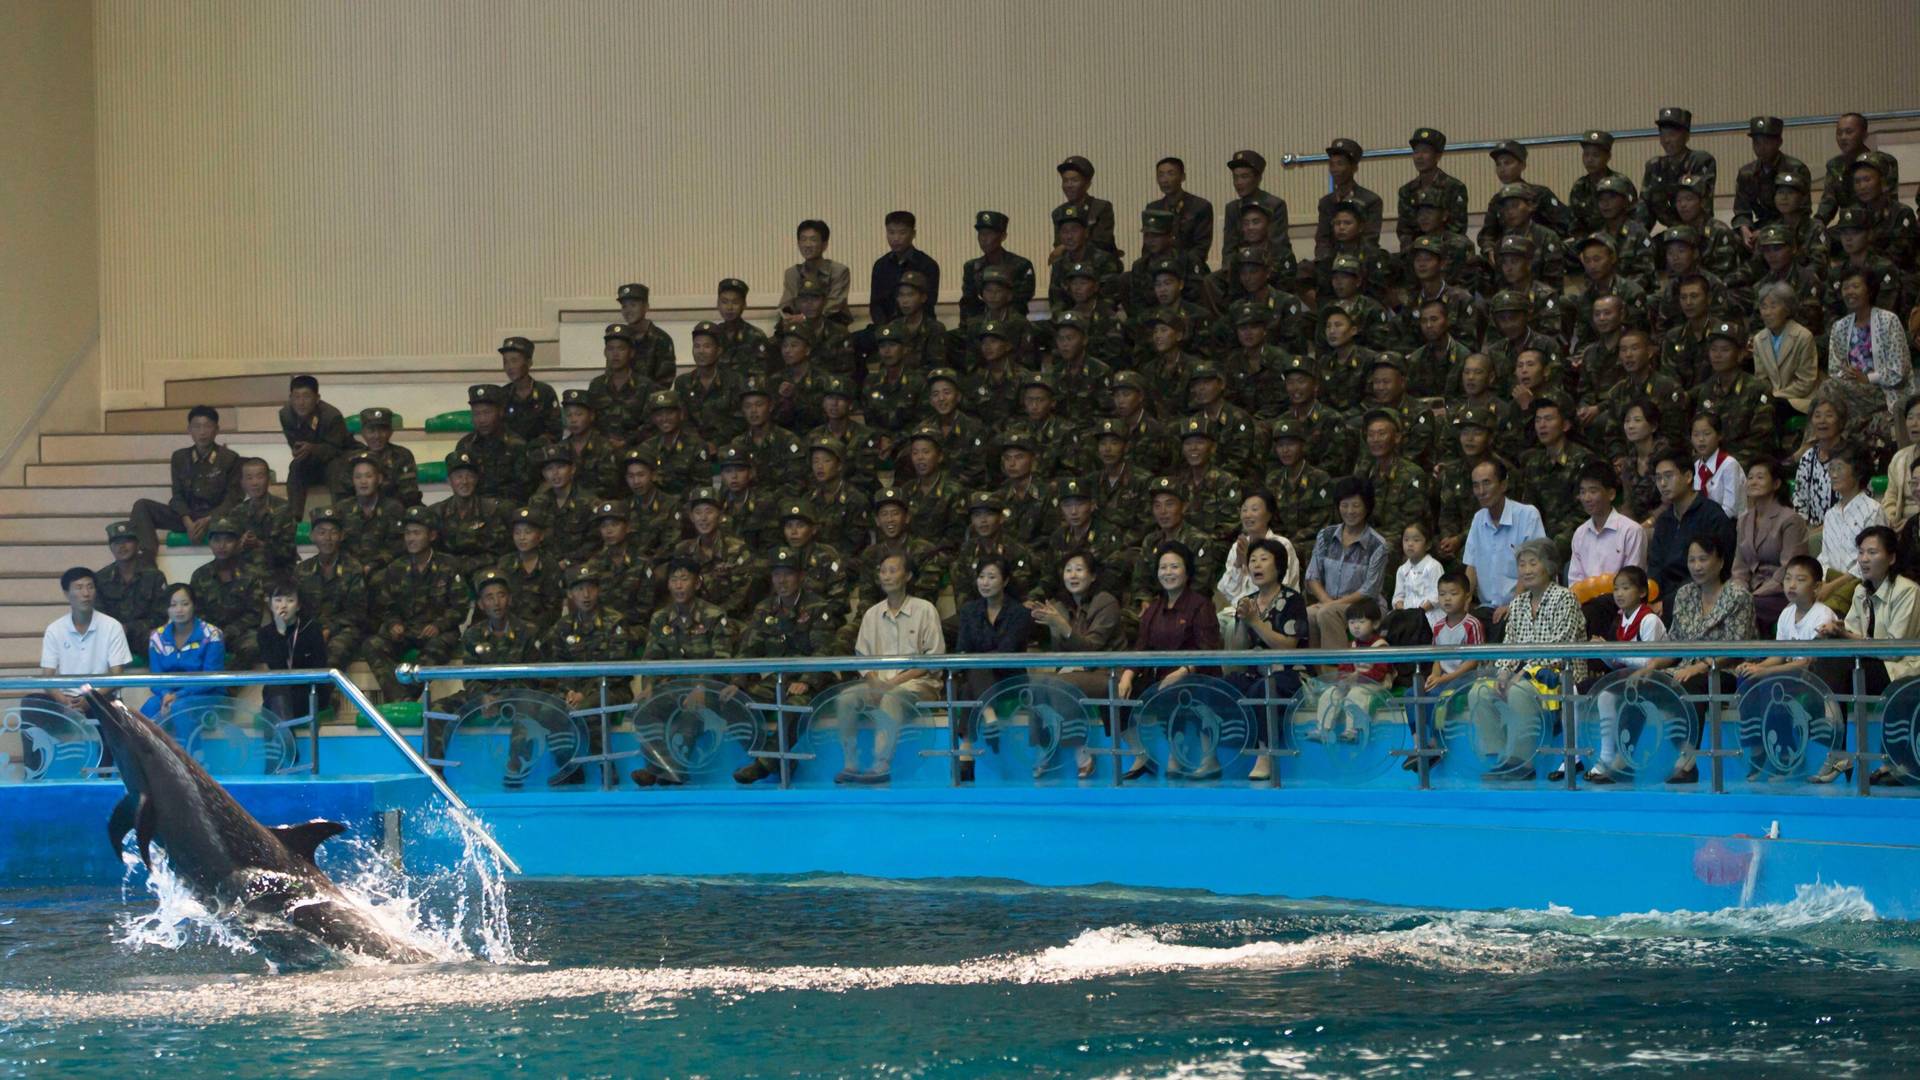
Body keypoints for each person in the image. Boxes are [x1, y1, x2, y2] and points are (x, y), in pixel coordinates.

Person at [1639, 533, 1756, 784]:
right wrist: (1654, 664)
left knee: (1691, 687)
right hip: (1683, 668)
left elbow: (1737, 647)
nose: (1697, 566)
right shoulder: (1684, 595)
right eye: (1692, 560)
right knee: (1639, 683)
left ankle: (1687, 764)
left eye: (1703, 559)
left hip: (1723, 672)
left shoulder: (1738, 596)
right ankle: (1618, 762)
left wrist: (1701, 667)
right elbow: (1675, 640)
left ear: (1721, 561)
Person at [1469, 539, 1586, 781]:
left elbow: (1559, 646)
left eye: (1533, 563)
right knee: (1479, 691)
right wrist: (1503, 672)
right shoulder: (1519, 603)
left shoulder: (1565, 598)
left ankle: (1522, 763)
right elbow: (1510, 644)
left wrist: (1523, 673)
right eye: (1522, 565)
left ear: (1550, 567)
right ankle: (1503, 756)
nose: (1527, 570)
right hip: (1524, 674)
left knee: (1520, 691)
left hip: (1561, 674)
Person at [1812, 526, 1920, 784]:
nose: (1863, 559)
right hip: (1869, 664)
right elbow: (1852, 630)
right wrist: (1837, 631)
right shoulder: (1861, 591)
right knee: (1827, 660)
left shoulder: (1908, 591)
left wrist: (1847, 637)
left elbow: (1894, 648)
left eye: (1872, 552)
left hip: (1903, 667)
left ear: (1891, 558)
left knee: (1836, 667)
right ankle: (1837, 750)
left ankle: (1839, 752)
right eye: (1861, 552)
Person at [1115, 541, 1223, 779]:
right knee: (1115, 692)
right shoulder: (1153, 608)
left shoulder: (1200, 605)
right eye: (1163, 567)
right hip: (1161, 678)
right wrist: (1127, 675)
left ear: (1187, 571)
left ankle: (1208, 759)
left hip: (1198, 675)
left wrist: (1184, 670)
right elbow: (1141, 647)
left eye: (1174, 566)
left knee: (1179, 689)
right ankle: (1141, 755)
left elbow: (1210, 648)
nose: (1168, 572)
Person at [837, 552, 945, 785]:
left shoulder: (925, 610)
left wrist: (890, 685)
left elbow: (932, 659)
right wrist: (874, 682)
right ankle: (851, 764)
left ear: (908, 576)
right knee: (846, 698)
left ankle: (880, 765)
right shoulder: (871, 614)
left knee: (892, 698)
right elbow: (862, 657)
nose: (886, 576)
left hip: (919, 684)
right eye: (883, 571)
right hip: (878, 683)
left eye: (893, 570)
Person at [1226, 538, 1307, 781]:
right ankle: (1214, 755)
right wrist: (1242, 622)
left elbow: (1288, 646)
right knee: (1225, 685)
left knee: (1263, 688)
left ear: (1279, 566)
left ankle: (1265, 754)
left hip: (1289, 673)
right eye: (1252, 560)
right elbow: (1240, 651)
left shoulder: (1293, 600)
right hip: (1255, 672)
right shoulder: (1248, 601)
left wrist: (1255, 623)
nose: (1256, 565)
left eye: (1263, 559)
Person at [32, 568, 132, 765]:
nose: (86, 593)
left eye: (90, 587)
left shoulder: (112, 626)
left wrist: (91, 700)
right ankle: (36, 773)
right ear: (66, 593)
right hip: (65, 699)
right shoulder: (55, 629)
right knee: (31, 705)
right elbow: (47, 677)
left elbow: (117, 675)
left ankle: (104, 776)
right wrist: (64, 701)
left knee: (111, 714)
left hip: (101, 697)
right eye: (78, 588)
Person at [951, 556, 1034, 782]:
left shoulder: (1019, 613)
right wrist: (974, 659)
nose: (985, 582)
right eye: (981, 577)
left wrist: (976, 659)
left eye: (991, 577)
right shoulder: (969, 611)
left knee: (973, 676)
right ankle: (988, 719)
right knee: (973, 677)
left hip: (1009, 679)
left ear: (1005, 581)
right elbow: (962, 649)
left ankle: (967, 755)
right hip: (980, 679)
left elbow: (1006, 652)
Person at [1585, 565, 1667, 784]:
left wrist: (1612, 650)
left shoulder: (1649, 620)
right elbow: (1618, 663)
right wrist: (1603, 652)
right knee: (1577, 688)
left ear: (1641, 592)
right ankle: (1572, 758)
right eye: (1616, 589)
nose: (1619, 594)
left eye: (1625, 588)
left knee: (1607, 695)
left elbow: (1649, 661)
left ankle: (1609, 759)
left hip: (1655, 680)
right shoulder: (1620, 621)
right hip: (1627, 677)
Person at [128, 405, 238, 564]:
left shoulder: (229, 458)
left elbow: (232, 499)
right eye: (197, 426)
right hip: (187, 516)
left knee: (236, 517)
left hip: (216, 518)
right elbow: (177, 495)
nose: (202, 432)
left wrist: (208, 520)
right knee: (142, 506)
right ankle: (147, 562)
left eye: (207, 426)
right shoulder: (180, 457)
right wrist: (187, 521)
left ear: (217, 429)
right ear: (189, 430)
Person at [1826, 267, 1913, 441]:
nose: (1849, 291)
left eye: (1855, 286)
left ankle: (1811, 444)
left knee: (1828, 388)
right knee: (1829, 388)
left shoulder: (1888, 320)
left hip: (1885, 392)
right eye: (1845, 287)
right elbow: (1835, 369)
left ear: (1870, 290)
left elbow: (1899, 371)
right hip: (1852, 391)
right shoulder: (1839, 327)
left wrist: (1867, 378)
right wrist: (1849, 376)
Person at [1303, 477, 1389, 651]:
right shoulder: (1325, 536)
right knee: (1308, 614)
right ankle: (1317, 672)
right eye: (1344, 505)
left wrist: (1332, 605)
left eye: (1356, 505)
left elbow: (1369, 590)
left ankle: (1338, 671)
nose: (1350, 511)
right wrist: (1327, 601)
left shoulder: (1377, 544)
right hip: (1329, 603)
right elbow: (1312, 576)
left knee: (1326, 613)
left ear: (1367, 507)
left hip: (1365, 607)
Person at [1461, 459, 1546, 631]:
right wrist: (1464, 604)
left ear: (1503, 485)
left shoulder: (1528, 515)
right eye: (1476, 486)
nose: (1481, 491)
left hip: (1525, 605)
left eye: (1487, 483)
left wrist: (1514, 604)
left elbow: (1533, 566)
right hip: (1486, 609)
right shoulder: (1478, 519)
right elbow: (1471, 567)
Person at [1647, 451, 1737, 609]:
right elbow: (1655, 566)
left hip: (1699, 595)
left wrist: (1667, 603)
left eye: (1668, 476)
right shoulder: (1664, 521)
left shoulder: (1712, 515)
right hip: (1662, 595)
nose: (1662, 483)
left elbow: (1716, 568)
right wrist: (1652, 598)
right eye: (1658, 478)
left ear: (1688, 477)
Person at [138, 582, 228, 737]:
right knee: (151, 706)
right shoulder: (157, 637)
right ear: (166, 609)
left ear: (194, 605)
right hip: (169, 695)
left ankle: (191, 758)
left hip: (207, 696)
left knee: (180, 707)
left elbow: (211, 678)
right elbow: (155, 678)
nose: (179, 610)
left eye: (185, 604)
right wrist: (166, 694)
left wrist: (179, 695)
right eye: (173, 605)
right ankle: (145, 757)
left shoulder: (212, 634)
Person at [1417, 571, 1484, 768]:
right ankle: (1418, 743)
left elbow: (1473, 661)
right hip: (1444, 678)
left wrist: (1445, 680)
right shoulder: (1437, 626)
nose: (1447, 598)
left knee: (1438, 698)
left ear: (1467, 597)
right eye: (1442, 594)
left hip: (1464, 679)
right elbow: (1437, 657)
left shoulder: (1472, 624)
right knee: (1413, 694)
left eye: (1453, 593)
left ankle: (1435, 744)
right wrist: (1434, 675)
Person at [1733, 459, 1809, 630]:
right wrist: (1740, 590)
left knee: (1745, 608)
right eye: (1750, 477)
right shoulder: (1744, 519)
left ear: (1776, 484)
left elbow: (1789, 568)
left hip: (1781, 591)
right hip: (1751, 590)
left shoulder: (1790, 519)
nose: (1753, 482)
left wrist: (1754, 595)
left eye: (1760, 477)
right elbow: (1740, 567)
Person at [1815, 445, 1887, 616]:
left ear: (1858, 471)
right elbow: (1824, 557)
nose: (1833, 474)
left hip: (1861, 585)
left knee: (1821, 616)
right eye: (1831, 468)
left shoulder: (1872, 510)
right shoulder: (1831, 514)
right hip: (1830, 581)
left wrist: (1831, 587)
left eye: (1839, 468)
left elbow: (1871, 562)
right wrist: (1822, 582)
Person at [278, 375, 358, 518]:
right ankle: (293, 518)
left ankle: (342, 515)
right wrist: (301, 450)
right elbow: (294, 443)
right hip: (311, 460)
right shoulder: (286, 415)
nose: (301, 402)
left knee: (336, 468)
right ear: (290, 398)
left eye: (306, 397)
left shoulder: (332, 416)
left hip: (337, 457)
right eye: (296, 397)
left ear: (317, 398)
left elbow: (336, 449)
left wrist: (313, 448)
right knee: (296, 466)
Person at [1314, 597, 1391, 744]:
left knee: (1355, 695)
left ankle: (1353, 730)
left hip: (1374, 683)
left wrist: (1358, 678)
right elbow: (1345, 667)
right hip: (1355, 681)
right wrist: (1343, 679)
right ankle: (1323, 729)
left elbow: (1380, 674)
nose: (1356, 626)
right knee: (1330, 693)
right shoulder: (1353, 645)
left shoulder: (1380, 646)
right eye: (1352, 622)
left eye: (1361, 622)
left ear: (1375, 624)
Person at [255, 577, 329, 724]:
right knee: (276, 692)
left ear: (299, 605)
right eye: (278, 600)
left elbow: (319, 668)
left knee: (276, 701)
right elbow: (277, 668)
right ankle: (288, 746)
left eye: (289, 601)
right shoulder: (265, 634)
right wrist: (280, 633)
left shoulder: (311, 629)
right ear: (270, 604)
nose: (283, 606)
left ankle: (283, 746)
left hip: (308, 692)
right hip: (278, 692)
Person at [94, 521, 167, 662]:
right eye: (116, 543)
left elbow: (161, 615)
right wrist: (117, 629)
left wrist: (129, 628)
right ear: (110, 547)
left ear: (138, 544)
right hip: (111, 637)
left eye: (127, 541)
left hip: (144, 636)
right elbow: (98, 614)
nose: (122, 546)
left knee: (160, 642)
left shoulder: (154, 576)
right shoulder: (101, 578)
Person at [1217, 490, 1299, 603]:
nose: (1247, 515)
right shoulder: (1238, 546)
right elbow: (1227, 592)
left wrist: (1248, 562)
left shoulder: (1282, 545)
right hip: (1239, 611)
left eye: (1254, 509)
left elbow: (1276, 591)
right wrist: (1237, 564)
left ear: (1269, 514)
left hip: (1276, 611)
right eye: (1244, 510)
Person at [1751, 282, 1820, 416]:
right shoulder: (1759, 339)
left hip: (1800, 399)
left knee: (1774, 408)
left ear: (1787, 309)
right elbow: (1761, 379)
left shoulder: (1803, 336)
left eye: (1773, 306)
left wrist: (1775, 396)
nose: (1767, 312)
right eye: (1764, 307)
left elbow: (1806, 382)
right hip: (1772, 399)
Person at [778, 219, 851, 323]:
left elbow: (835, 305)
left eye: (813, 239)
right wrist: (787, 315)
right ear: (798, 244)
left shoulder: (839, 271)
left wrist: (804, 318)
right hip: (799, 327)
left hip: (831, 326)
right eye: (803, 239)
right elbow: (786, 303)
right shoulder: (792, 273)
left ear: (825, 244)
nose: (807, 245)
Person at [1791, 399, 1850, 524]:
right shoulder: (1808, 457)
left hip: (1844, 530)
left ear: (1840, 421)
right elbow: (1799, 501)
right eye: (1817, 416)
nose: (1822, 421)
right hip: (1811, 533)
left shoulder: (1851, 456)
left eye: (1829, 415)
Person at [1689, 412, 1745, 519]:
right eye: (1696, 435)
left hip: (1729, 526)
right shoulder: (1696, 467)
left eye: (1707, 433)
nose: (1701, 439)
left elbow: (1730, 510)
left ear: (1719, 435)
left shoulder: (1729, 465)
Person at [1392, 521, 1445, 633]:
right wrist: (1403, 612)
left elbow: (1437, 595)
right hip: (1407, 616)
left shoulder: (1433, 566)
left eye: (1416, 540)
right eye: (1406, 540)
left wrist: (1419, 613)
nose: (1410, 544)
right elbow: (1398, 596)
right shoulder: (1402, 570)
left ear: (1428, 545)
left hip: (1429, 614)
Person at [1884, 395, 1920, 527]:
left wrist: (1912, 524)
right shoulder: (1900, 458)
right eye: (1910, 417)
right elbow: (1890, 498)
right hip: (1899, 527)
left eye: (1919, 417)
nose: (1914, 423)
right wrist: (1892, 519)